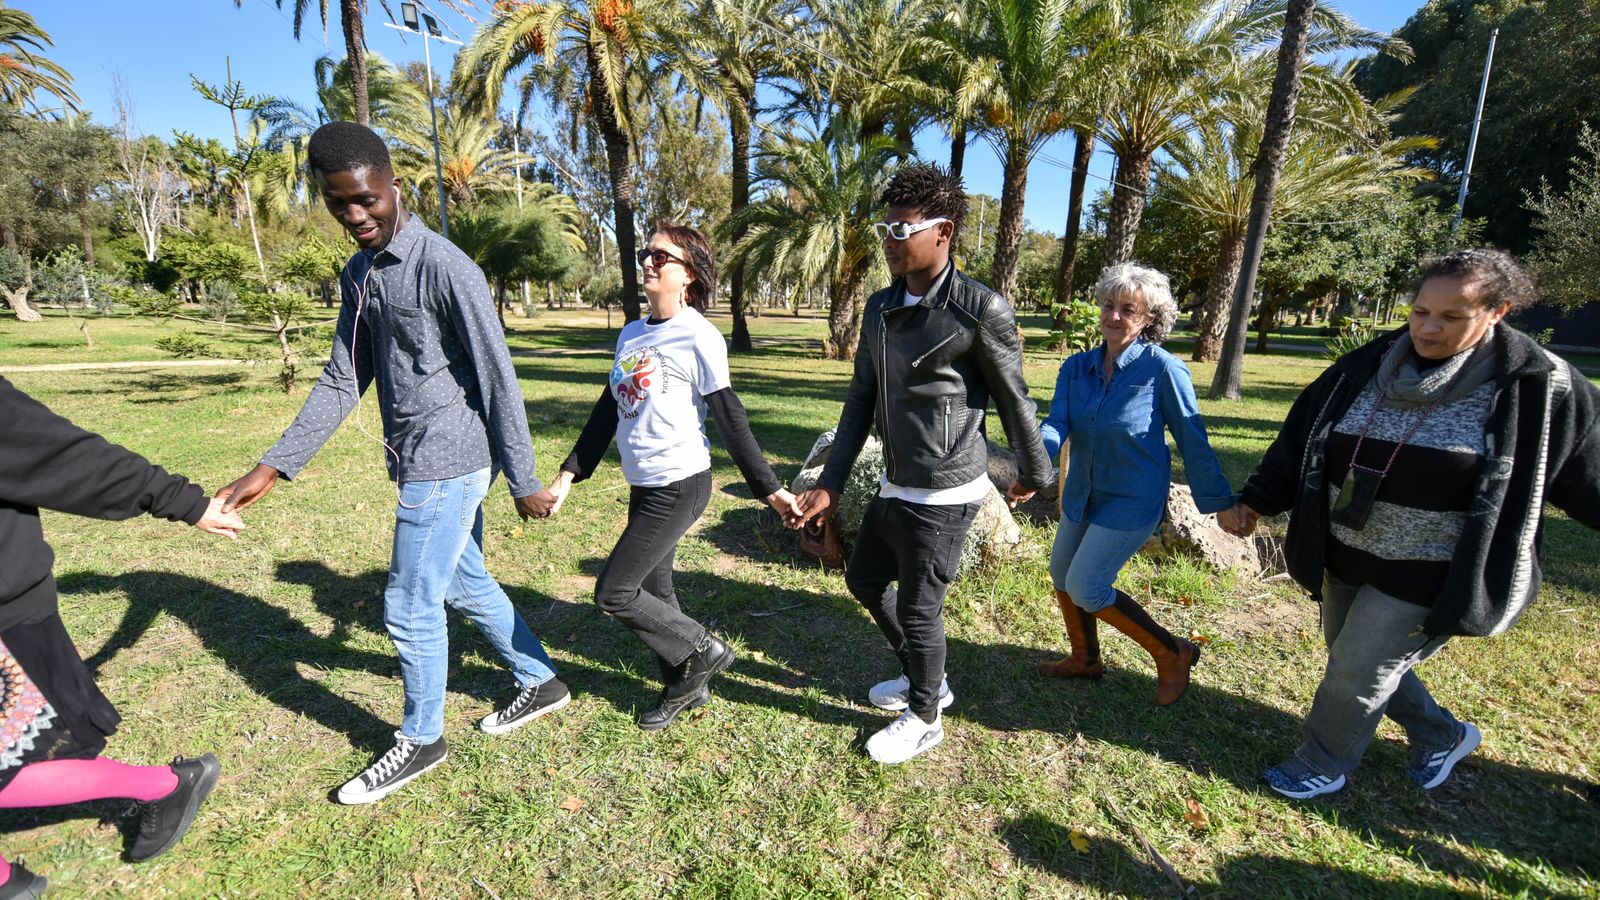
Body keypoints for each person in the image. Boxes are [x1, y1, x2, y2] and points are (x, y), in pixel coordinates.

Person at [215, 122, 567, 806]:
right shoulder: (360, 273)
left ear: (393, 187)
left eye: (367, 200)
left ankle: (421, 738)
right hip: (414, 458)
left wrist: (523, 478)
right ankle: (540, 680)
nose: (356, 216)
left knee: (409, 603)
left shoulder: (445, 267)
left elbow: (498, 376)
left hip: (451, 458)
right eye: (339, 203)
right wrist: (275, 466)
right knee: (462, 583)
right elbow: (345, 379)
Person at [1219, 249, 1600, 799]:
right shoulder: (1365, 366)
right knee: (1353, 655)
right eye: (1420, 311)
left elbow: (1590, 470)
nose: (1428, 326)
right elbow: (1302, 440)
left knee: (1357, 667)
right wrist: (1256, 500)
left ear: (1498, 311)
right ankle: (1441, 735)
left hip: (1432, 569)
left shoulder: (1538, 386)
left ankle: (1322, 761)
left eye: (1451, 317)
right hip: (1347, 549)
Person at [792, 164, 1054, 765]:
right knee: (862, 579)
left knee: (919, 606)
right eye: (885, 226)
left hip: (945, 485)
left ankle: (926, 717)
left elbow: (1015, 398)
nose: (890, 238)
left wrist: (1035, 475)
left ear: (944, 233)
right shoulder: (880, 307)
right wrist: (830, 482)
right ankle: (927, 682)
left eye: (903, 228)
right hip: (895, 477)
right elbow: (861, 398)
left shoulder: (979, 308)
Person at [532, 223, 798, 730]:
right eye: (646, 254)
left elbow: (730, 418)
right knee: (655, 592)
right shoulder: (632, 333)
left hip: (680, 483)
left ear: (689, 275)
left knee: (614, 591)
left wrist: (771, 490)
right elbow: (608, 410)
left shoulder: (699, 335)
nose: (648, 262)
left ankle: (704, 649)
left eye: (662, 256)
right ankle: (686, 685)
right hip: (644, 481)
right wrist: (570, 472)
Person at [0, 376, 242, 898]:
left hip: (5, 614)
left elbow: (56, 451)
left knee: (20, 757)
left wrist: (185, 501)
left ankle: (166, 785)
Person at [1035, 263, 1234, 704]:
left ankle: (1171, 652)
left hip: (1131, 499)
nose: (1114, 316)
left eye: (1128, 309)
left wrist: (1220, 502)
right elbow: (1056, 424)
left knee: (1087, 585)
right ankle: (1085, 659)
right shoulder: (1076, 368)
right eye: (1109, 305)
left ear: (1149, 319)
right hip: (1082, 495)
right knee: (1062, 575)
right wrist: (1035, 464)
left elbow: (1192, 439)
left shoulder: (1163, 370)